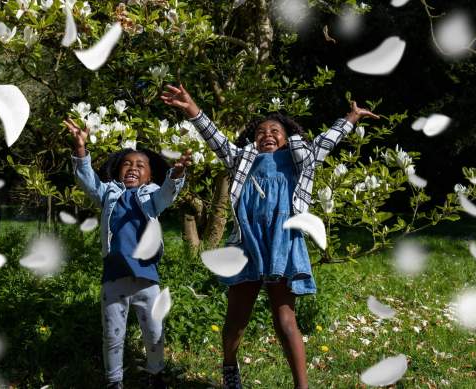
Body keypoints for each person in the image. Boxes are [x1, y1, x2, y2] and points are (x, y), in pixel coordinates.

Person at [160, 85, 379, 389]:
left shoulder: (300, 161)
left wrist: (351, 117)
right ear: (253, 139)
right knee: (236, 319)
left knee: (285, 319)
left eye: (275, 130)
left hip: (283, 245)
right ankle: (229, 365)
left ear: (287, 138)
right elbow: (215, 138)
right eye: (261, 131)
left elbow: (326, 142)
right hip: (246, 246)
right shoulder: (241, 160)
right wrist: (191, 108)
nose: (267, 134)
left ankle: (301, 386)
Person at [65, 118, 191, 389]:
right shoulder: (109, 193)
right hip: (114, 278)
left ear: (150, 175)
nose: (133, 168)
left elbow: (167, 195)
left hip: (147, 279)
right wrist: (80, 150)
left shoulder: (153, 195)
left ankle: (155, 375)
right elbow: (88, 181)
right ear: (118, 171)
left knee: (154, 332)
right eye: (127, 164)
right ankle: (114, 382)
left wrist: (176, 175)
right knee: (113, 335)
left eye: (140, 166)